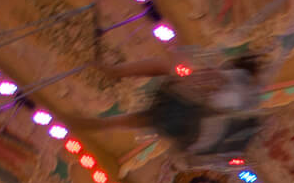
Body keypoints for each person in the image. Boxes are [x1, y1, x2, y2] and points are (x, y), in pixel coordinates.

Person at [77, 56, 266, 169]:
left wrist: (188, 82)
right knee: (149, 119)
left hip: (195, 115)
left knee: (163, 67)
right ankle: (104, 123)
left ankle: (116, 72)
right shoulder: (249, 98)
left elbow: (210, 82)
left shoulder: (239, 78)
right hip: (196, 135)